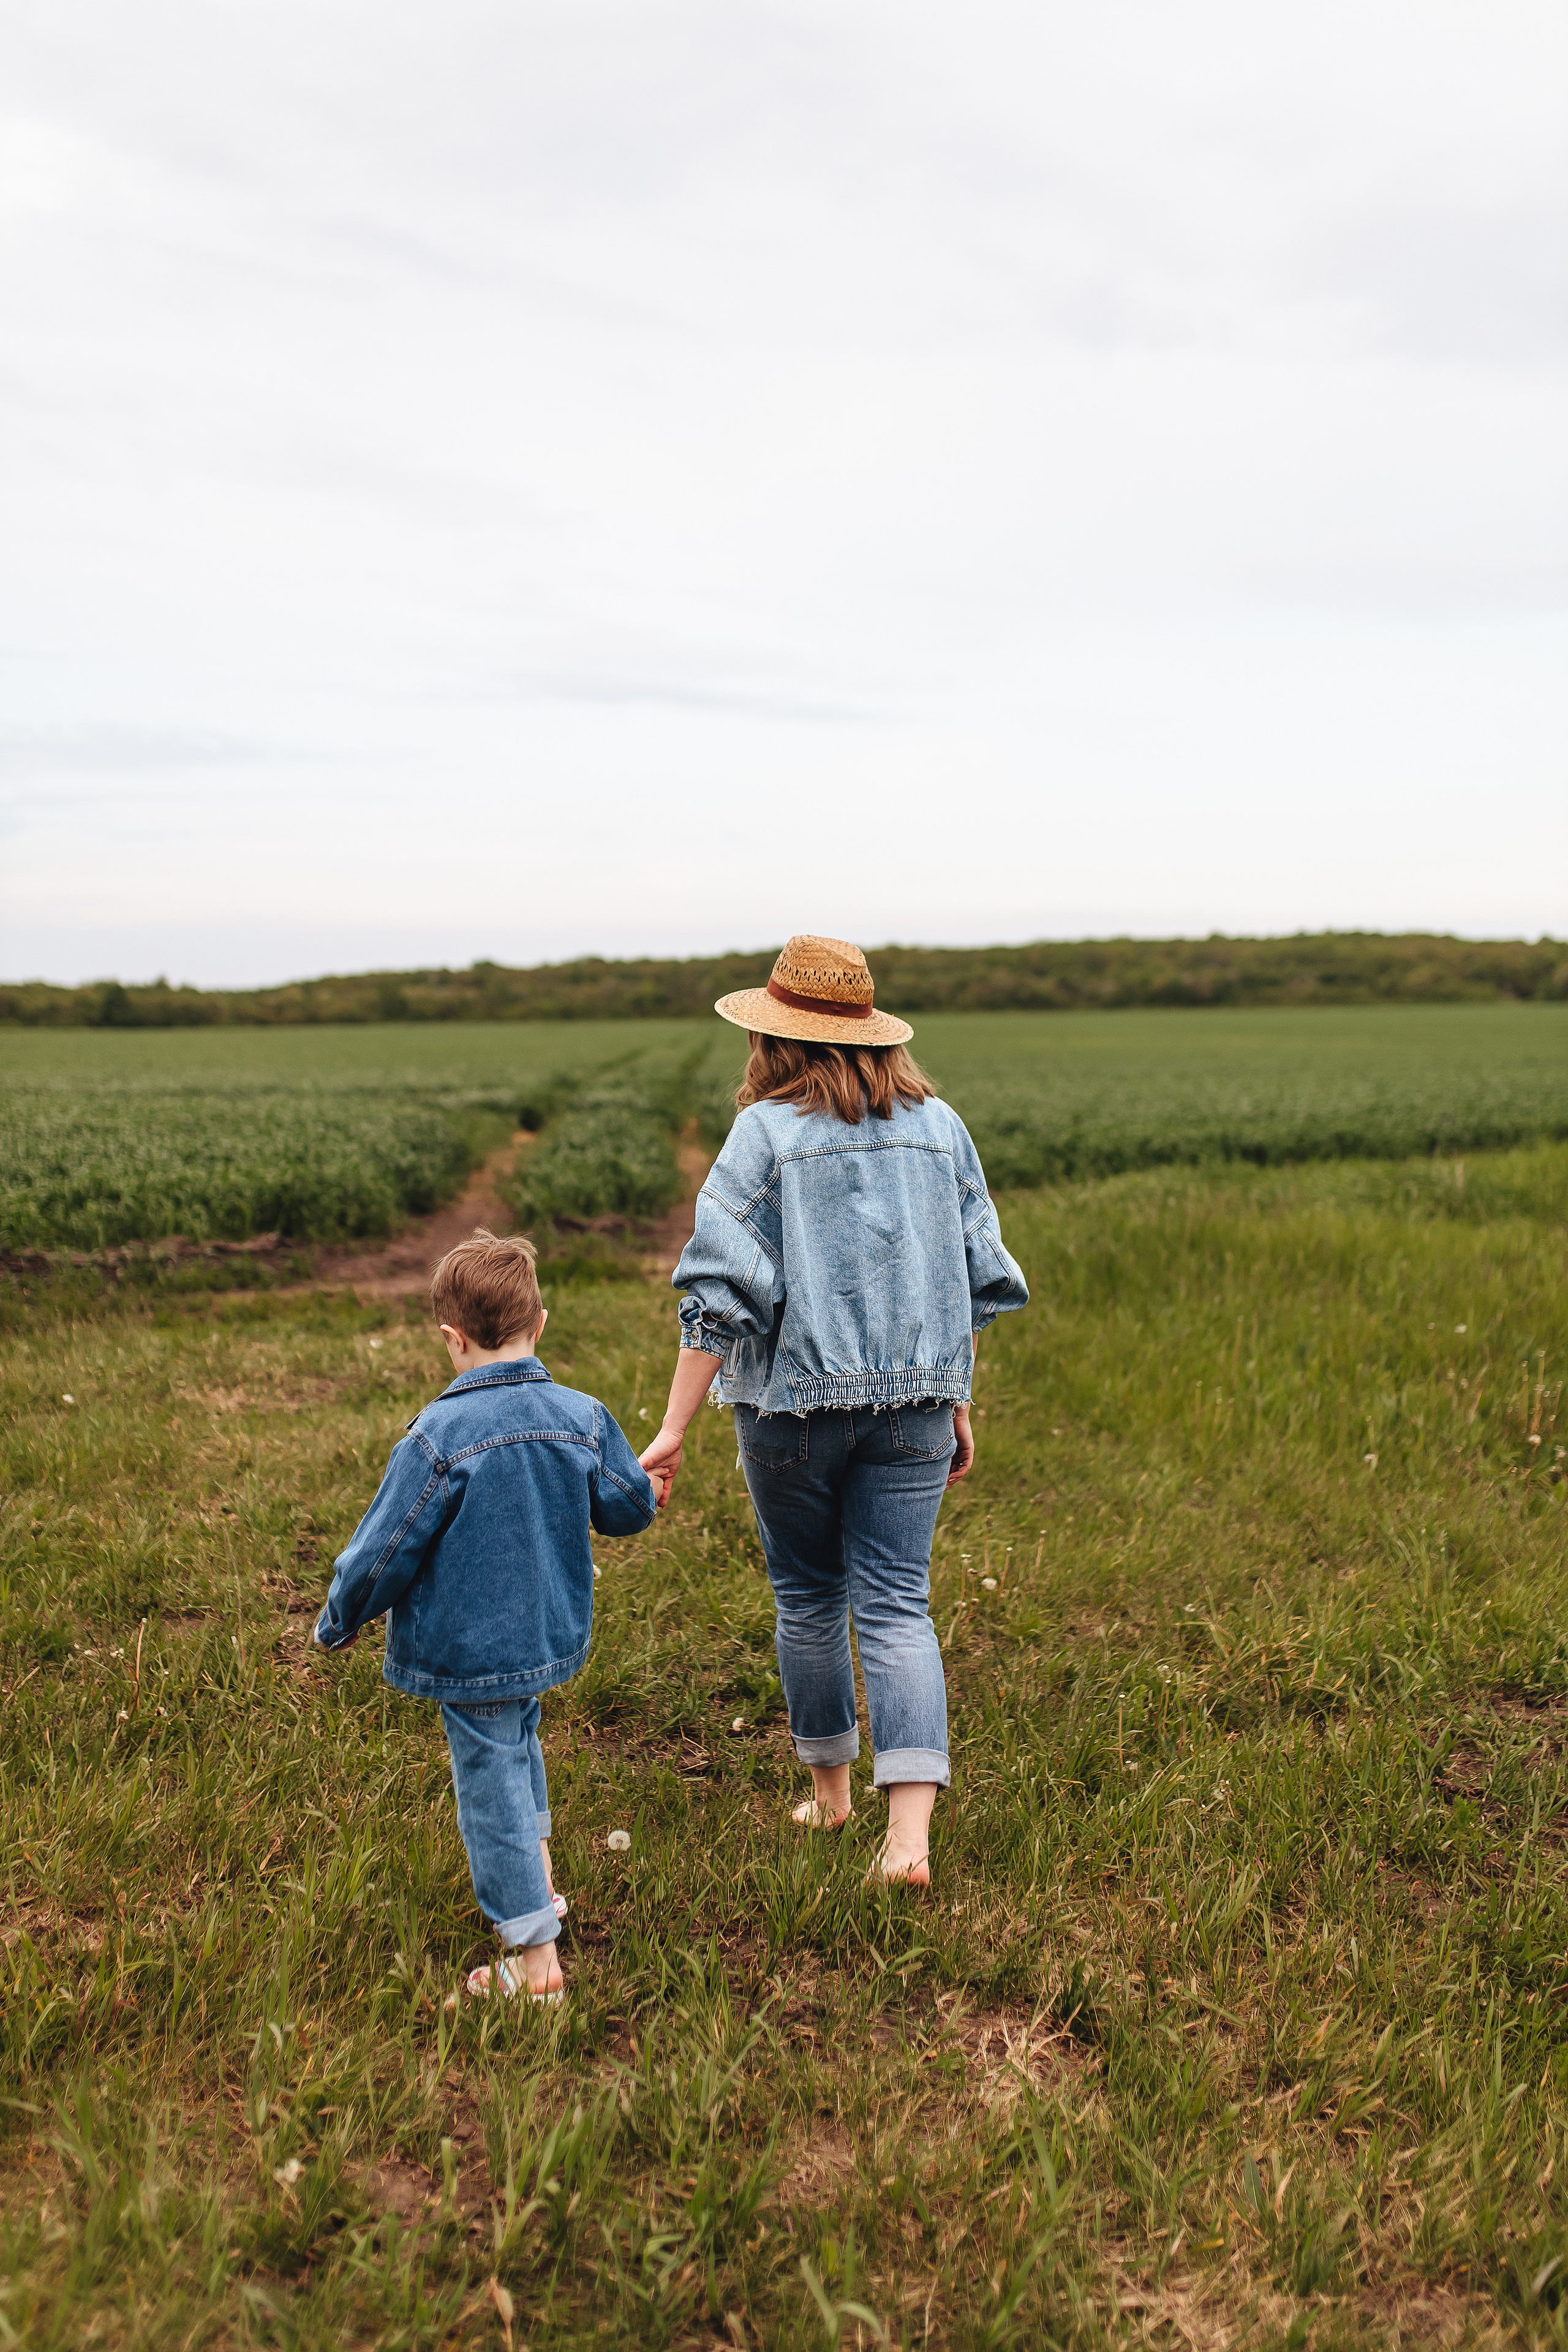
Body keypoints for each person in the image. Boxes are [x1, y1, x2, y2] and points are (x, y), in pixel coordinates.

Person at [638, 935, 1028, 1885]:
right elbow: (976, 1278)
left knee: (809, 1597)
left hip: (790, 1414)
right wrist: (957, 1399)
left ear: (776, 1038)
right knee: (900, 1605)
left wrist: (675, 1426)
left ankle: (830, 1798)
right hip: (919, 1407)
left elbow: (717, 1301)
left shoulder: (765, 1133)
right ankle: (908, 1845)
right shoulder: (942, 1127)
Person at [314, 1229, 662, 2002]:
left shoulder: (438, 1436)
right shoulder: (583, 1415)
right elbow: (627, 1507)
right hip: (547, 1630)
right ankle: (536, 1883)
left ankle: (534, 1962)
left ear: (451, 1338)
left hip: (471, 1648)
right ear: (541, 1324)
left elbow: (383, 1550)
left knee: (492, 1778)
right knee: (520, 1742)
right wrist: (645, 1485)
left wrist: (339, 1618)